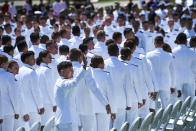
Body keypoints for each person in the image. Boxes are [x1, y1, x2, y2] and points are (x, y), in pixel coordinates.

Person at [69, 48, 111, 131]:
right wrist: (105, 103)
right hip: (86, 107)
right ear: (80, 57)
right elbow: (94, 88)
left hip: (71, 107)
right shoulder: (86, 69)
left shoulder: (66, 69)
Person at [104, 44, 133, 130]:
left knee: (107, 126)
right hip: (121, 99)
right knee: (119, 126)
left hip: (106, 100)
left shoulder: (103, 64)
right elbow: (128, 86)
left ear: (108, 52)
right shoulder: (124, 66)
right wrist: (129, 103)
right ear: (118, 52)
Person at [55, 61, 87, 131]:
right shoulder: (62, 82)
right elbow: (74, 83)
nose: (73, 73)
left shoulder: (62, 81)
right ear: (62, 72)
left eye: (72, 70)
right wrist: (83, 69)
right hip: (67, 121)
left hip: (67, 120)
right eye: (70, 71)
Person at [16, 51, 44, 127]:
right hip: (33, 107)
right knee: (36, 127)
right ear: (26, 60)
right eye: (32, 58)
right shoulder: (31, 72)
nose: (34, 60)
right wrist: (40, 106)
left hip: (22, 107)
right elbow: (35, 91)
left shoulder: (19, 71)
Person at [146, 36, 175, 109]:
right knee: (166, 107)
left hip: (153, 85)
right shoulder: (169, 55)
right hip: (165, 83)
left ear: (154, 43)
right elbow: (172, 72)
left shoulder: (148, 55)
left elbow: (146, 72)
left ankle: (154, 120)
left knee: (153, 106)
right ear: (163, 44)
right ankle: (165, 120)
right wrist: (172, 85)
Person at [90, 56, 115, 131]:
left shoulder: (88, 74)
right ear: (100, 64)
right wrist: (113, 110)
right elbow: (110, 93)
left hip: (91, 107)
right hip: (104, 107)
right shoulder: (106, 75)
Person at [36, 50, 57, 129]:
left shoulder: (37, 70)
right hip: (48, 102)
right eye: (49, 57)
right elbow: (50, 88)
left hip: (40, 102)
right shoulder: (47, 70)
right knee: (49, 126)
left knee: (42, 125)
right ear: (43, 58)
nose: (51, 58)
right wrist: (54, 103)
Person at [7, 61, 30, 131]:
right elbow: (18, 99)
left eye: (18, 67)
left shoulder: (14, 79)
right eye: (15, 68)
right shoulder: (12, 81)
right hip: (18, 113)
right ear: (9, 69)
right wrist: (24, 113)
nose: (18, 69)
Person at [172, 33, 196, 100]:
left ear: (178, 41)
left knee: (178, 101)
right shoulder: (192, 52)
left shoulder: (173, 51)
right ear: (186, 41)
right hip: (189, 77)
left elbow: (172, 68)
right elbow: (194, 67)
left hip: (177, 78)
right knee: (190, 100)